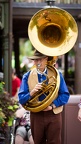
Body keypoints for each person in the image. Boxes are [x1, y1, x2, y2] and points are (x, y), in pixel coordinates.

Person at [18, 50, 70, 144]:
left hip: (53, 114)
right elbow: (21, 98)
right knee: (38, 142)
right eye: (35, 60)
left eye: (40, 60)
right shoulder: (27, 76)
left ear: (46, 59)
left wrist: (53, 105)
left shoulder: (57, 74)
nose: (38, 62)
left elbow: (65, 95)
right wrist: (32, 92)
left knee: (55, 142)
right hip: (36, 115)